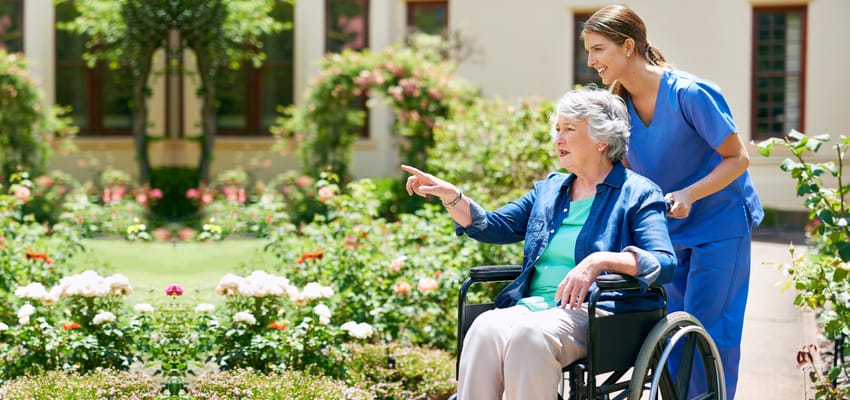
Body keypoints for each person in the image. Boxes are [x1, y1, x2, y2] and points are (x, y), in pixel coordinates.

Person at [402, 88, 676, 400]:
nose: (558, 138)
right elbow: (494, 226)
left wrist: (600, 260)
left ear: (602, 140)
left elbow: (663, 262)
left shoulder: (638, 193)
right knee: (485, 328)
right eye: (557, 129)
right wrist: (452, 196)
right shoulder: (549, 190)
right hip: (534, 308)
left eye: (569, 129)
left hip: (597, 313)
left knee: (529, 336)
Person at [581, 5, 764, 399]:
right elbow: (625, 177)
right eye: (588, 51)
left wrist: (690, 193)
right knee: (673, 335)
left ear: (628, 46)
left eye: (598, 49)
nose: (591, 61)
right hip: (668, 234)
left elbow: (739, 158)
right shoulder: (618, 109)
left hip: (720, 227)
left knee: (709, 332)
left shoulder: (690, 94)